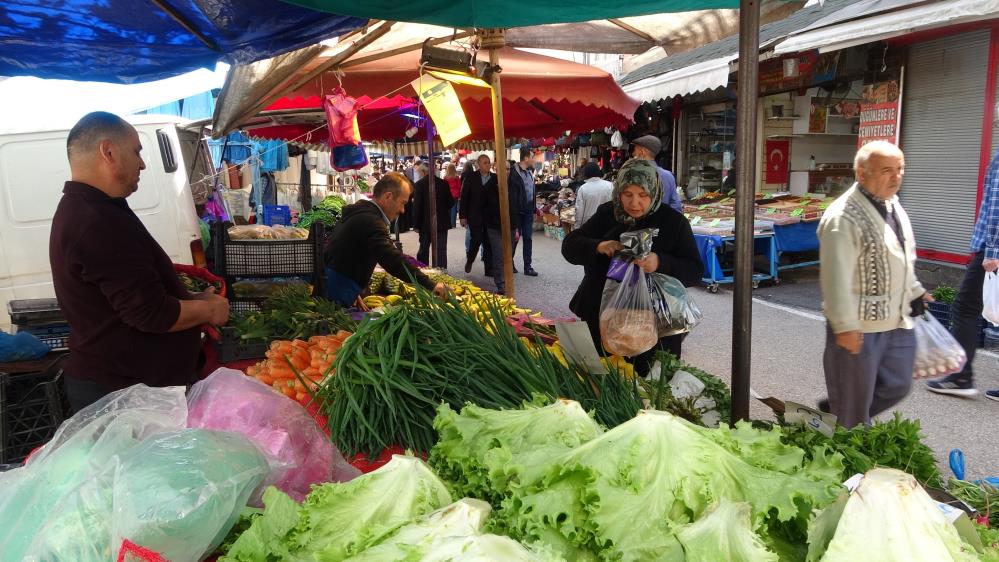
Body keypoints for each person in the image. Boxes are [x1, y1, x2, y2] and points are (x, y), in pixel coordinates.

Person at [49, 111, 231, 412]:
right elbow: (151, 314)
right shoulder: (96, 221)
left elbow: (131, 296)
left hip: (127, 388)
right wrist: (208, 309)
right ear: (108, 152)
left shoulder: (94, 209)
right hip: (127, 396)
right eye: (137, 151)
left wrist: (192, 298)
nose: (143, 163)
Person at [817, 141, 930, 428]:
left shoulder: (891, 204)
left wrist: (915, 290)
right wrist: (845, 327)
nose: (896, 177)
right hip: (859, 326)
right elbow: (834, 277)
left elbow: (901, 254)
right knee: (854, 409)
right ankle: (848, 448)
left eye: (900, 169)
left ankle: (837, 408)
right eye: (887, 171)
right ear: (862, 174)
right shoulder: (842, 217)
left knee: (898, 385)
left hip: (897, 319)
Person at [562, 158, 702, 375]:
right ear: (618, 191)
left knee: (649, 390)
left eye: (643, 195)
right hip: (602, 318)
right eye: (627, 194)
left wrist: (660, 262)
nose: (634, 203)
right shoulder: (606, 214)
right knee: (599, 384)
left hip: (655, 328)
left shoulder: (673, 222)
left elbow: (694, 271)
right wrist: (598, 246)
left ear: (654, 192)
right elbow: (569, 247)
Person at [927, 148, 999, 399]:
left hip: (993, 249)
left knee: (964, 308)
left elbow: (996, 207)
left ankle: (961, 377)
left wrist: (992, 250)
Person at [325, 172, 446, 305]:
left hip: (339, 283)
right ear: (388, 196)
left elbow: (347, 250)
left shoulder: (362, 213)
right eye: (402, 203)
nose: (403, 210)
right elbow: (391, 259)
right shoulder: (371, 221)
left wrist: (357, 288)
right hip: (337, 287)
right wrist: (430, 285)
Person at [480, 159, 523, 294]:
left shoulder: (515, 184)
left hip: (511, 225)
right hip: (494, 226)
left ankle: (508, 279)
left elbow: (519, 204)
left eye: (508, 169)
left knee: (508, 254)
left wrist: (516, 227)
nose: (506, 172)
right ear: (496, 169)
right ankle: (501, 284)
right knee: (498, 254)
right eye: (503, 169)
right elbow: (484, 207)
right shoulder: (489, 186)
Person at [413, 164, 454, 268]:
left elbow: (417, 207)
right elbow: (451, 203)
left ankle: (423, 272)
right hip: (441, 222)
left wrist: (416, 225)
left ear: (423, 172)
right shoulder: (444, 184)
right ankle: (442, 274)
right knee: (441, 250)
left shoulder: (419, 185)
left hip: (424, 224)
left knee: (424, 249)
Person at [460, 155, 495, 276]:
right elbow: (464, 197)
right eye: (485, 163)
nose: (488, 165)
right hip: (474, 215)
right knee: (476, 239)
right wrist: (463, 216)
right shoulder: (471, 177)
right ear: (478, 165)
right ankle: (470, 260)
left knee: (488, 241)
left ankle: (489, 268)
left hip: (490, 216)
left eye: (489, 162)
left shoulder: (494, 178)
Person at [630, 135, 682, 213]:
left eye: (635, 150)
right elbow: (676, 206)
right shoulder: (668, 176)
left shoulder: (631, 174)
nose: (633, 153)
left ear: (642, 151)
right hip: (662, 222)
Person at [509, 152, 539, 276]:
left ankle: (528, 266)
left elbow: (532, 191)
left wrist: (534, 209)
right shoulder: (513, 172)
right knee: (514, 238)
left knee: (528, 238)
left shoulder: (530, 172)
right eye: (532, 157)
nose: (534, 159)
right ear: (526, 158)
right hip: (517, 211)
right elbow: (512, 195)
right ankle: (509, 262)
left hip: (527, 210)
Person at [574, 162, 614, 228]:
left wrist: (577, 227)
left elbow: (579, 211)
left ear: (586, 173)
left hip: (589, 224)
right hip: (607, 223)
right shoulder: (610, 185)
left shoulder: (583, 189)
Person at [444, 163, 462, 228]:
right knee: (454, 209)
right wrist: (460, 195)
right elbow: (459, 186)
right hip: (455, 194)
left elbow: (444, 187)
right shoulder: (456, 177)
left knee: (448, 208)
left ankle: (448, 223)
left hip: (447, 194)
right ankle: (453, 224)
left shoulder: (445, 177)